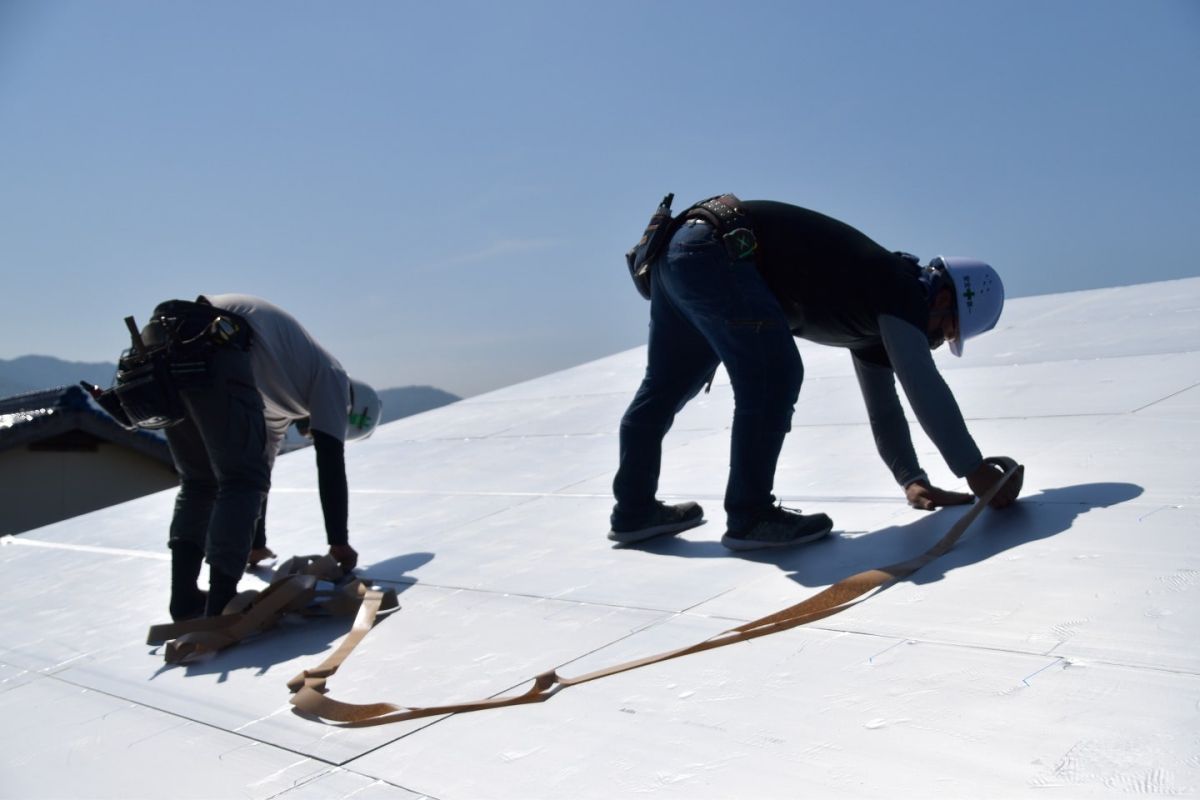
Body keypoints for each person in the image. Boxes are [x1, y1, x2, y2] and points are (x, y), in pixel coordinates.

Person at [610, 195, 1020, 551]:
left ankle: (634, 509)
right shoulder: (902, 290)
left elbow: (884, 405)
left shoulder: (873, 319)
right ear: (944, 296)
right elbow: (922, 383)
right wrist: (975, 470)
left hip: (683, 253)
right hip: (719, 251)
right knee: (776, 374)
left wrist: (911, 478)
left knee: (663, 388)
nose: (935, 342)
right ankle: (751, 515)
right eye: (946, 330)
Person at [90, 295, 380, 620]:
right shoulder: (333, 378)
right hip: (211, 339)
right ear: (350, 410)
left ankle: (184, 600)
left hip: (163, 340)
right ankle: (223, 604)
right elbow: (329, 458)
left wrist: (257, 543)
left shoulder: (282, 394)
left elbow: (260, 470)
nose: (312, 431)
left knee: (202, 481)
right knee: (239, 480)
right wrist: (338, 543)